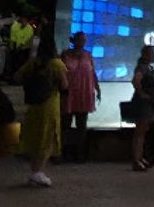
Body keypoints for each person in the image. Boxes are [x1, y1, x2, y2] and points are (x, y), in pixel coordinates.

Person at [16, 35, 67, 188]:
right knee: (48, 137)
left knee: (36, 136)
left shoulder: (33, 63)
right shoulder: (57, 64)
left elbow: (17, 77)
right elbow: (65, 85)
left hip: (34, 105)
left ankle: (34, 170)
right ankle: (38, 171)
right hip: (50, 105)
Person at [61, 32, 101, 163]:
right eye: (81, 39)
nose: (83, 42)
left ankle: (80, 154)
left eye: (84, 40)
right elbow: (60, 73)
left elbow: (92, 73)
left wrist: (97, 88)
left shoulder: (88, 55)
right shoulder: (65, 54)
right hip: (69, 93)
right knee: (65, 124)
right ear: (75, 40)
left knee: (81, 125)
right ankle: (62, 152)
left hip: (84, 93)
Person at [126, 45, 154, 171]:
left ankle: (140, 157)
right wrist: (142, 93)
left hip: (148, 103)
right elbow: (136, 80)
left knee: (143, 132)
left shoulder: (149, 67)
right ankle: (136, 159)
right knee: (139, 132)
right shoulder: (142, 68)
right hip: (142, 103)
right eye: (152, 53)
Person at [6, 15, 33, 81]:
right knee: (13, 63)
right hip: (16, 48)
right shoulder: (14, 26)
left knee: (21, 63)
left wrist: (19, 48)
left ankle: (20, 78)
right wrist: (12, 48)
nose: (24, 22)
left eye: (25, 20)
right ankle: (12, 77)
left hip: (24, 49)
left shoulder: (29, 28)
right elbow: (13, 39)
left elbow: (27, 40)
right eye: (23, 19)